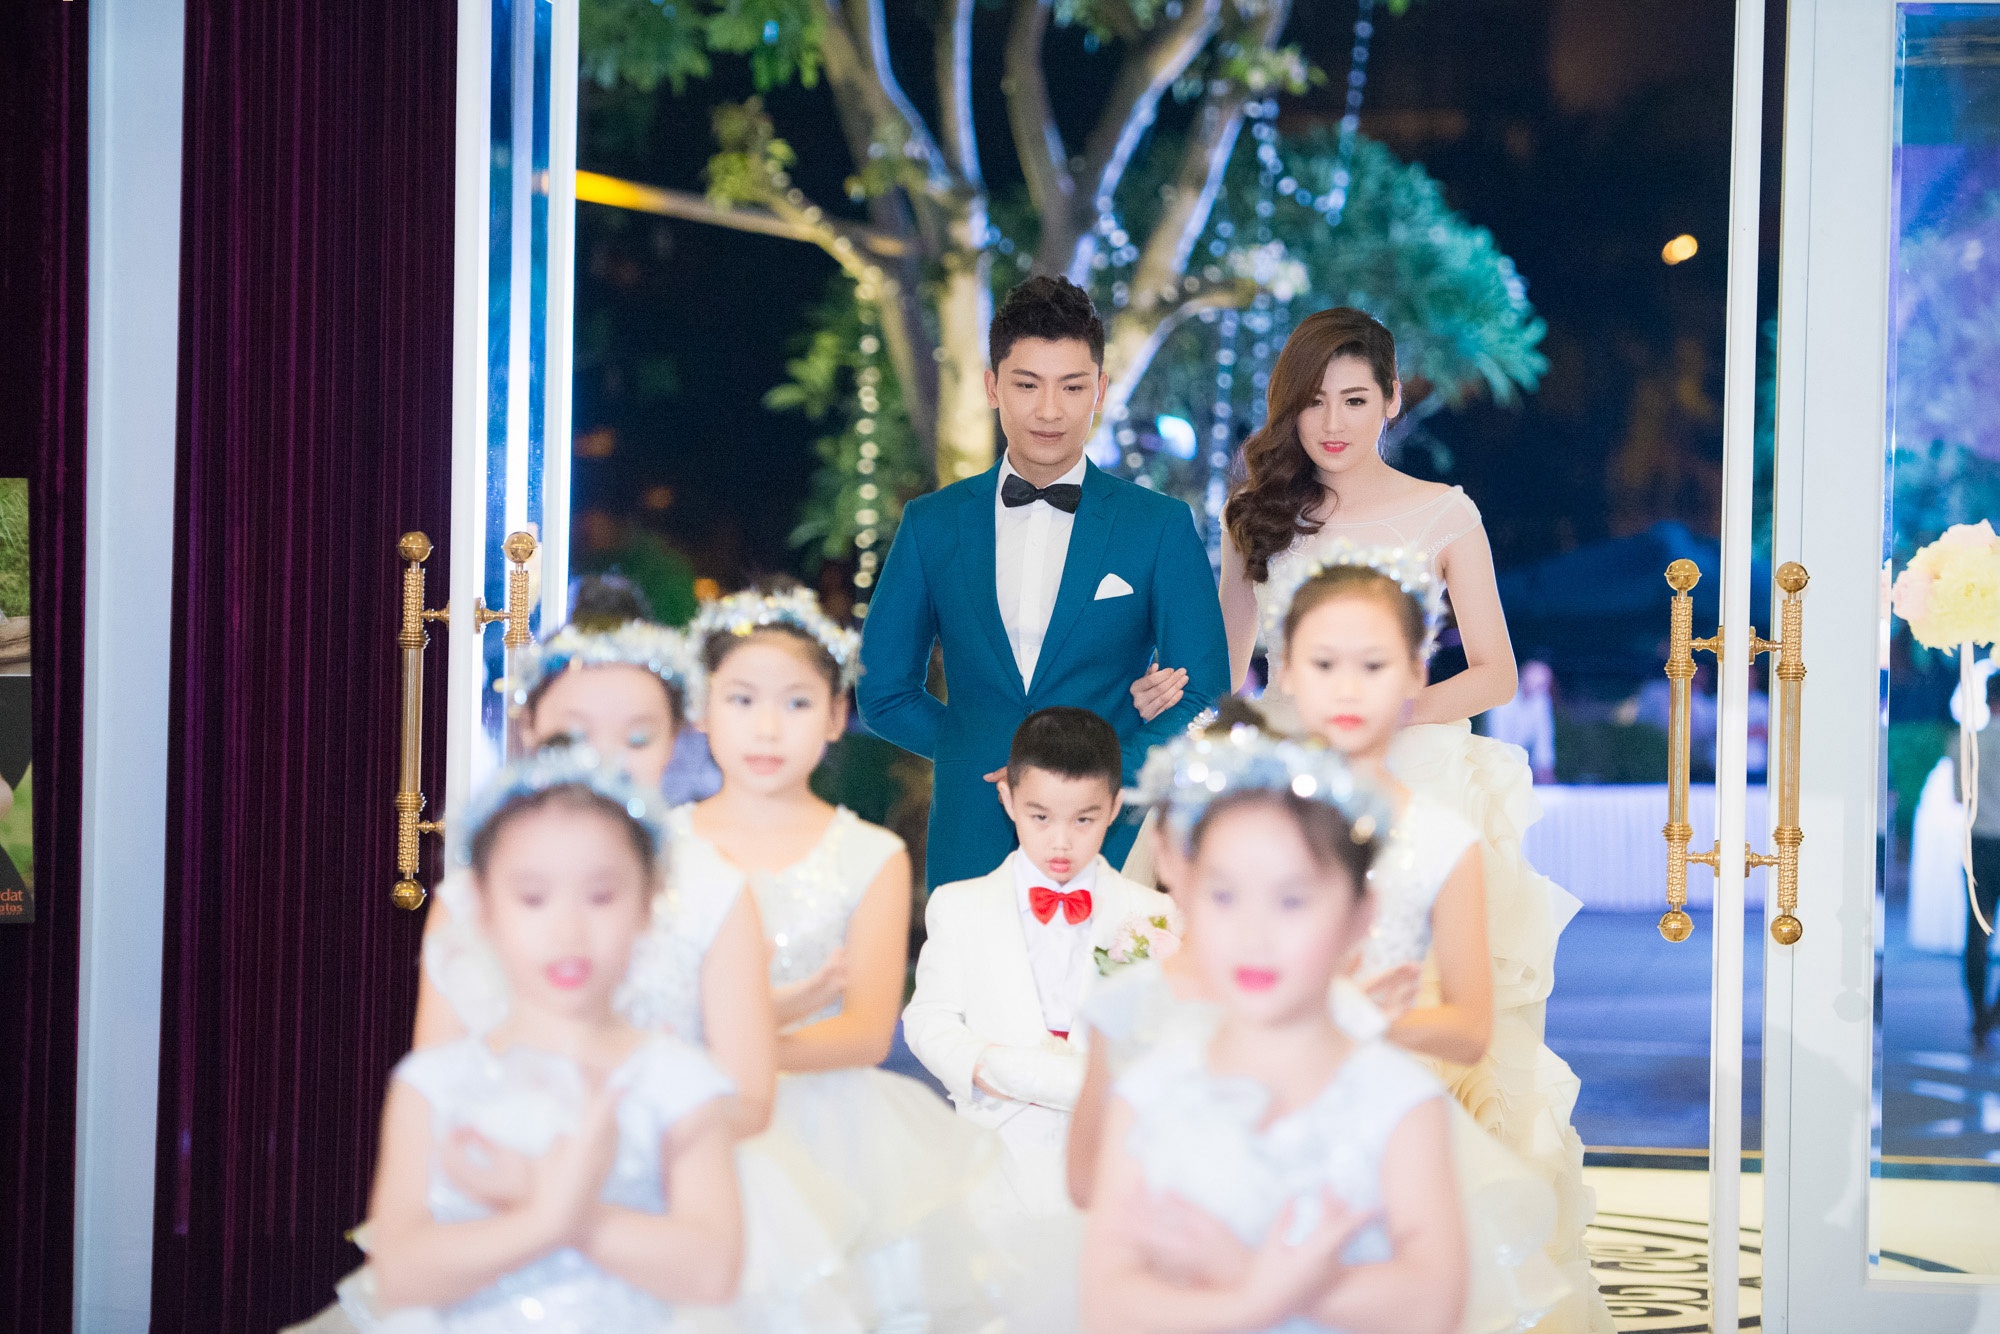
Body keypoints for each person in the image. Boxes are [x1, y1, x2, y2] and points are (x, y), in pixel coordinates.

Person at [1268, 546, 1594, 1330]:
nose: (1349, 689)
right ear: (1288, 673)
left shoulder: (1442, 839)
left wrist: (1357, 1019)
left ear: (1416, 674)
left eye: (1374, 666)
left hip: (1392, 1122)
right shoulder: (1247, 823)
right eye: (1324, 664)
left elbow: (1470, 1026)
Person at [681, 582, 1013, 1330]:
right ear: (701, 708)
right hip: (690, 1116)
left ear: (835, 716)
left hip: (835, 1129)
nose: (768, 727)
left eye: (797, 703)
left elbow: (865, 1031)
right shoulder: (658, 847)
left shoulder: (870, 855)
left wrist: (714, 1050)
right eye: (741, 700)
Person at [333, 751, 743, 1330]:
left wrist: (549, 1202)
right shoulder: (433, 1085)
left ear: (648, 903)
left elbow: (713, 1269)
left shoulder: (681, 1082)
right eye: (532, 898)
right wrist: (546, 1218)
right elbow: (400, 1273)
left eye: (601, 897)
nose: (567, 929)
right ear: (482, 909)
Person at [1079, 725, 1468, 1334]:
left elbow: (1433, 1303)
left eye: (1292, 901)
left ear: (1359, 915)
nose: (1254, 935)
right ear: (1184, 893)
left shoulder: (1398, 1103)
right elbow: (1107, 1302)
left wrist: (1243, 1269)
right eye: (1224, 896)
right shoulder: (1148, 1096)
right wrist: (1253, 1300)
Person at [858, 275, 1229, 887]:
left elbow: (1206, 690)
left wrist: (1104, 771)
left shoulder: (1158, 526)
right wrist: (976, 747)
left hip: (1110, 839)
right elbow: (883, 692)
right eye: (1027, 385)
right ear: (992, 387)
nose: (1050, 410)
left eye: (1072, 386)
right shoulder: (933, 524)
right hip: (970, 840)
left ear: (1100, 391)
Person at [416, 620, 777, 1141]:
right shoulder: (468, 898)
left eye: (637, 738)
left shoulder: (716, 892)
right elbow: (435, 1087)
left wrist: (604, 1153)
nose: (605, 759)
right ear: (529, 728)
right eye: (575, 734)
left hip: (668, 1172)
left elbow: (749, 1101)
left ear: (675, 740)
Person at [903, 706, 1176, 1217]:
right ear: (1008, 799)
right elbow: (928, 1019)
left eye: (1084, 819)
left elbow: (1165, 1039)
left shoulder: (1155, 916)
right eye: (1040, 817)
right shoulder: (960, 906)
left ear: (1115, 807)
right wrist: (986, 1067)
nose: (1061, 841)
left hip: (1106, 1160)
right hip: (990, 1153)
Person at [1483, 660, 1556, 785]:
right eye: (1539, 685)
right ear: (1525, 679)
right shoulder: (1502, 699)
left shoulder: (1541, 700)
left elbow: (1544, 737)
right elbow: (1498, 737)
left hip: (1518, 760)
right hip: (1494, 758)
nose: (1541, 689)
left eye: (1544, 685)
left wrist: (1544, 767)